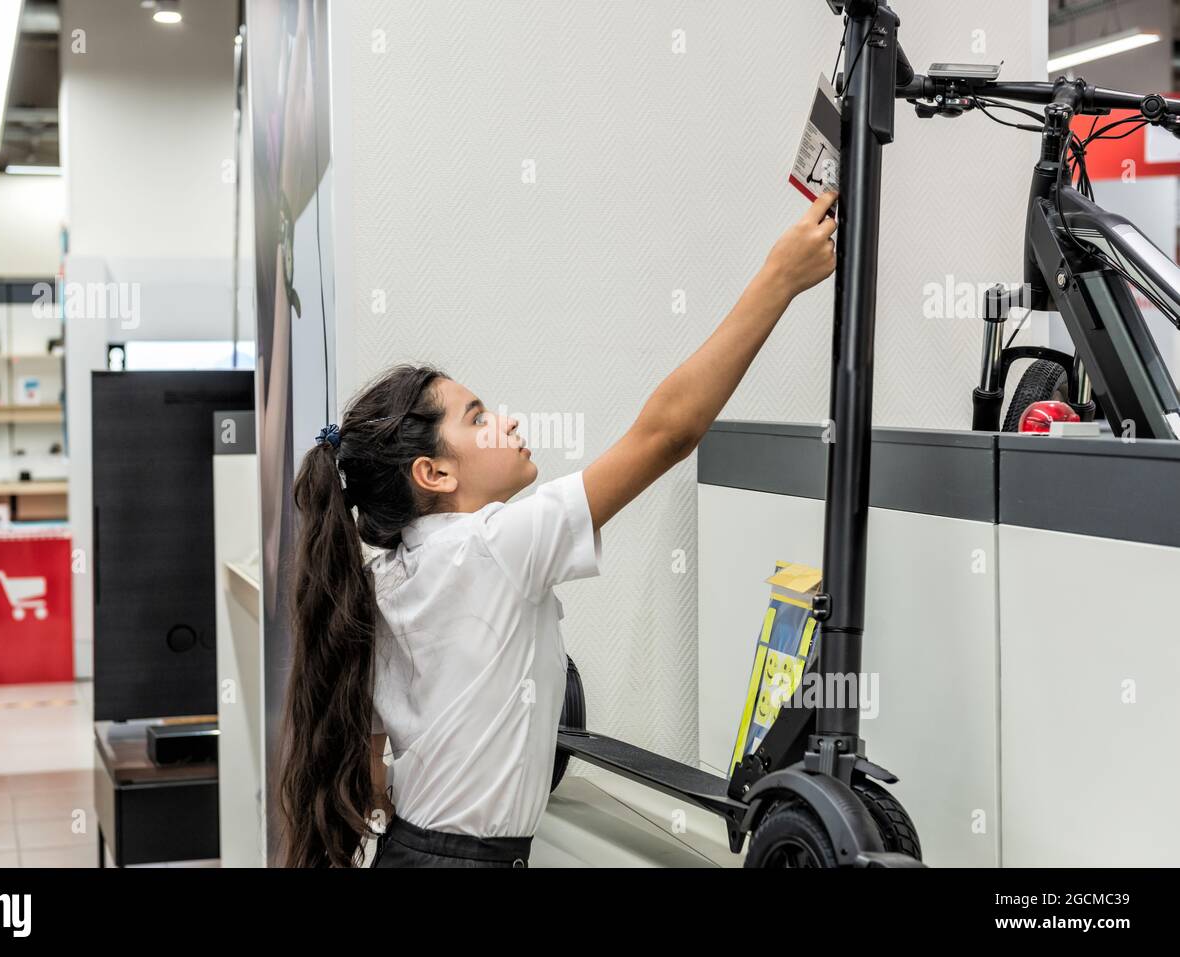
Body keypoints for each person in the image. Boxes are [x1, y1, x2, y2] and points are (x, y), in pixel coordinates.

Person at [278, 191, 839, 867]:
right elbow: (667, 432)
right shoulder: (493, 547)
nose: (507, 422)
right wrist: (778, 278)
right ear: (433, 472)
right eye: (478, 415)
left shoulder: (384, 580)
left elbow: (374, 776)